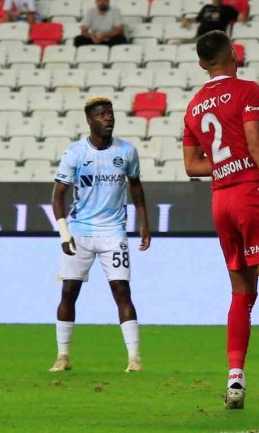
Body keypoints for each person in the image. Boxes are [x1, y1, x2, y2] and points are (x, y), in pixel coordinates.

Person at [181, 31, 259, 413]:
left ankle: (235, 379)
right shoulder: (246, 90)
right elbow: (256, 143)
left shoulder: (193, 106)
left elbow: (191, 166)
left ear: (202, 64)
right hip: (253, 196)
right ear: (234, 54)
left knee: (241, 293)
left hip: (221, 200)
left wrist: (226, 163)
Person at [49, 97, 151, 374]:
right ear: (90, 121)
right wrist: (64, 232)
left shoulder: (127, 151)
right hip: (79, 232)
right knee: (69, 291)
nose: (109, 118)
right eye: (103, 115)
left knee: (122, 291)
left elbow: (137, 188)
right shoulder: (75, 153)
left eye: (111, 114)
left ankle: (134, 358)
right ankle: (63, 356)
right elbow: (58, 195)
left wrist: (144, 222)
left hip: (113, 233)